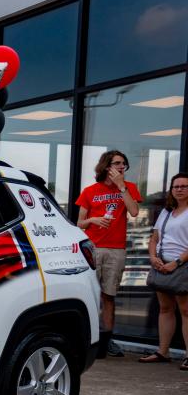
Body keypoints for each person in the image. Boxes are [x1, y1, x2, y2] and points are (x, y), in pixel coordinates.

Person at [76, 150, 142, 357]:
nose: (122, 167)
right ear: (106, 166)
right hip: (93, 248)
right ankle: (89, 339)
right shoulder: (90, 191)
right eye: (117, 163)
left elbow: (134, 212)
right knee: (91, 295)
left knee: (109, 296)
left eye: (124, 163)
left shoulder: (129, 188)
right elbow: (79, 223)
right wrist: (93, 221)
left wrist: (122, 187)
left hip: (116, 249)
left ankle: (107, 340)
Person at [138, 172, 188, 370]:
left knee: (186, 311)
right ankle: (162, 351)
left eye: (184, 186)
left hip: (182, 265)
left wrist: (176, 262)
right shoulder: (167, 212)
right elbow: (154, 238)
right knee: (165, 309)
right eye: (176, 186)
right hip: (162, 265)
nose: (180, 189)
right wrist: (153, 258)